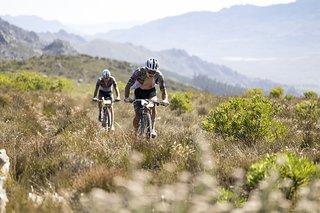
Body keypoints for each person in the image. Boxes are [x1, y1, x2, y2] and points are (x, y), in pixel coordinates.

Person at [124, 57, 169, 138]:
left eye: (153, 72)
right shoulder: (139, 71)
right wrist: (126, 97)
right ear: (146, 69)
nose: (151, 74)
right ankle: (135, 131)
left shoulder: (159, 75)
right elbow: (129, 84)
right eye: (149, 71)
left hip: (150, 92)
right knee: (137, 115)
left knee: (153, 104)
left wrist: (165, 99)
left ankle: (153, 129)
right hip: (139, 91)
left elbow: (163, 89)